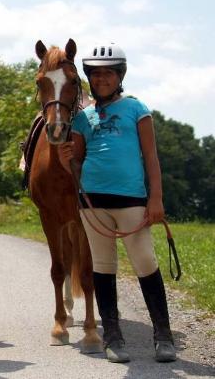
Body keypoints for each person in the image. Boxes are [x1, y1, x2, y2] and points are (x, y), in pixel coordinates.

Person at [58, 43, 176, 363]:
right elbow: (79, 164)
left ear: (119, 75)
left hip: (132, 201)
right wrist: (67, 159)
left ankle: (163, 336)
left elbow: (151, 157)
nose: (102, 79)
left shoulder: (137, 109)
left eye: (108, 73)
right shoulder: (84, 118)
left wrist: (156, 199)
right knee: (103, 267)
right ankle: (113, 337)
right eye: (96, 74)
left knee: (145, 263)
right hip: (93, 204)